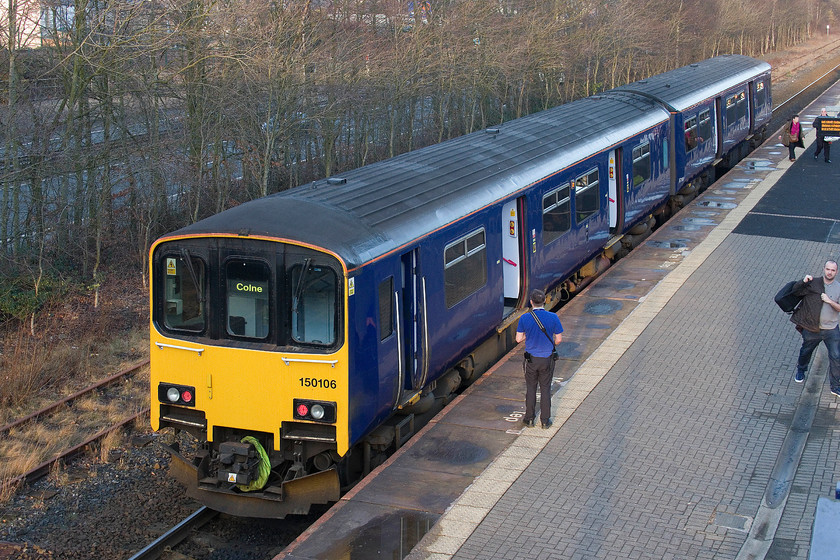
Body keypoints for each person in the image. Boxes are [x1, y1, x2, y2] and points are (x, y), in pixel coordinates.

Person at [790, 260, 840, 398]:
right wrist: (803, 281)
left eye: (833, 270)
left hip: (831, 329)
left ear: (836, 272)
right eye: (828, 269)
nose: (830, 272)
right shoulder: (814, 283)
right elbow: (795, 291)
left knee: (836, 356)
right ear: (824, 269)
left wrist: (830, 301)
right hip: (812, 328)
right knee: (806, 351)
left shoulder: (838, 288)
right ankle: (801, 370)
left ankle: (835, 386)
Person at [516, 289, 564, 428]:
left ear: (531, 302)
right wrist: (549, 344)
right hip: (547, 359)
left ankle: (529, 419)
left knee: (531, 388)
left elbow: (518, 339)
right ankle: (545, 421)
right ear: (544, 301)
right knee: (545, 389)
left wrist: (528, 336)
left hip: (531, 360)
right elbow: (559, 339)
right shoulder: (553, 317)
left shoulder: (524, 318)